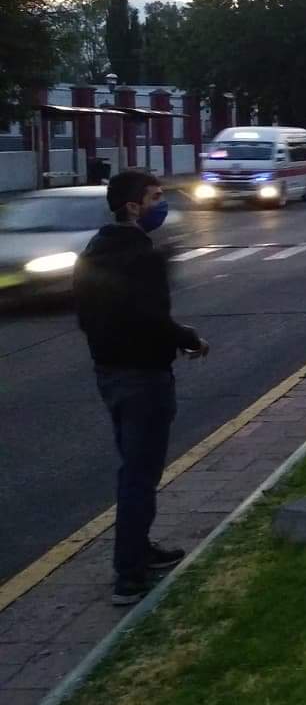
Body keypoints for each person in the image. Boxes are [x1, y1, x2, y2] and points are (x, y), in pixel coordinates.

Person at [74, 168, 208, 605]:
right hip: (144, 378)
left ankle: (140, 549)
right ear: (133, 207)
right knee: (140, 475)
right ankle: (128, 574)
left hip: (109, 374)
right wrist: (187, 339)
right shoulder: (143, 257)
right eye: (155, 197)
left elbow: (88, 318)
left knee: (134, 467)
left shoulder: (92, 252)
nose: (161, 205)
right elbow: (151, 317)